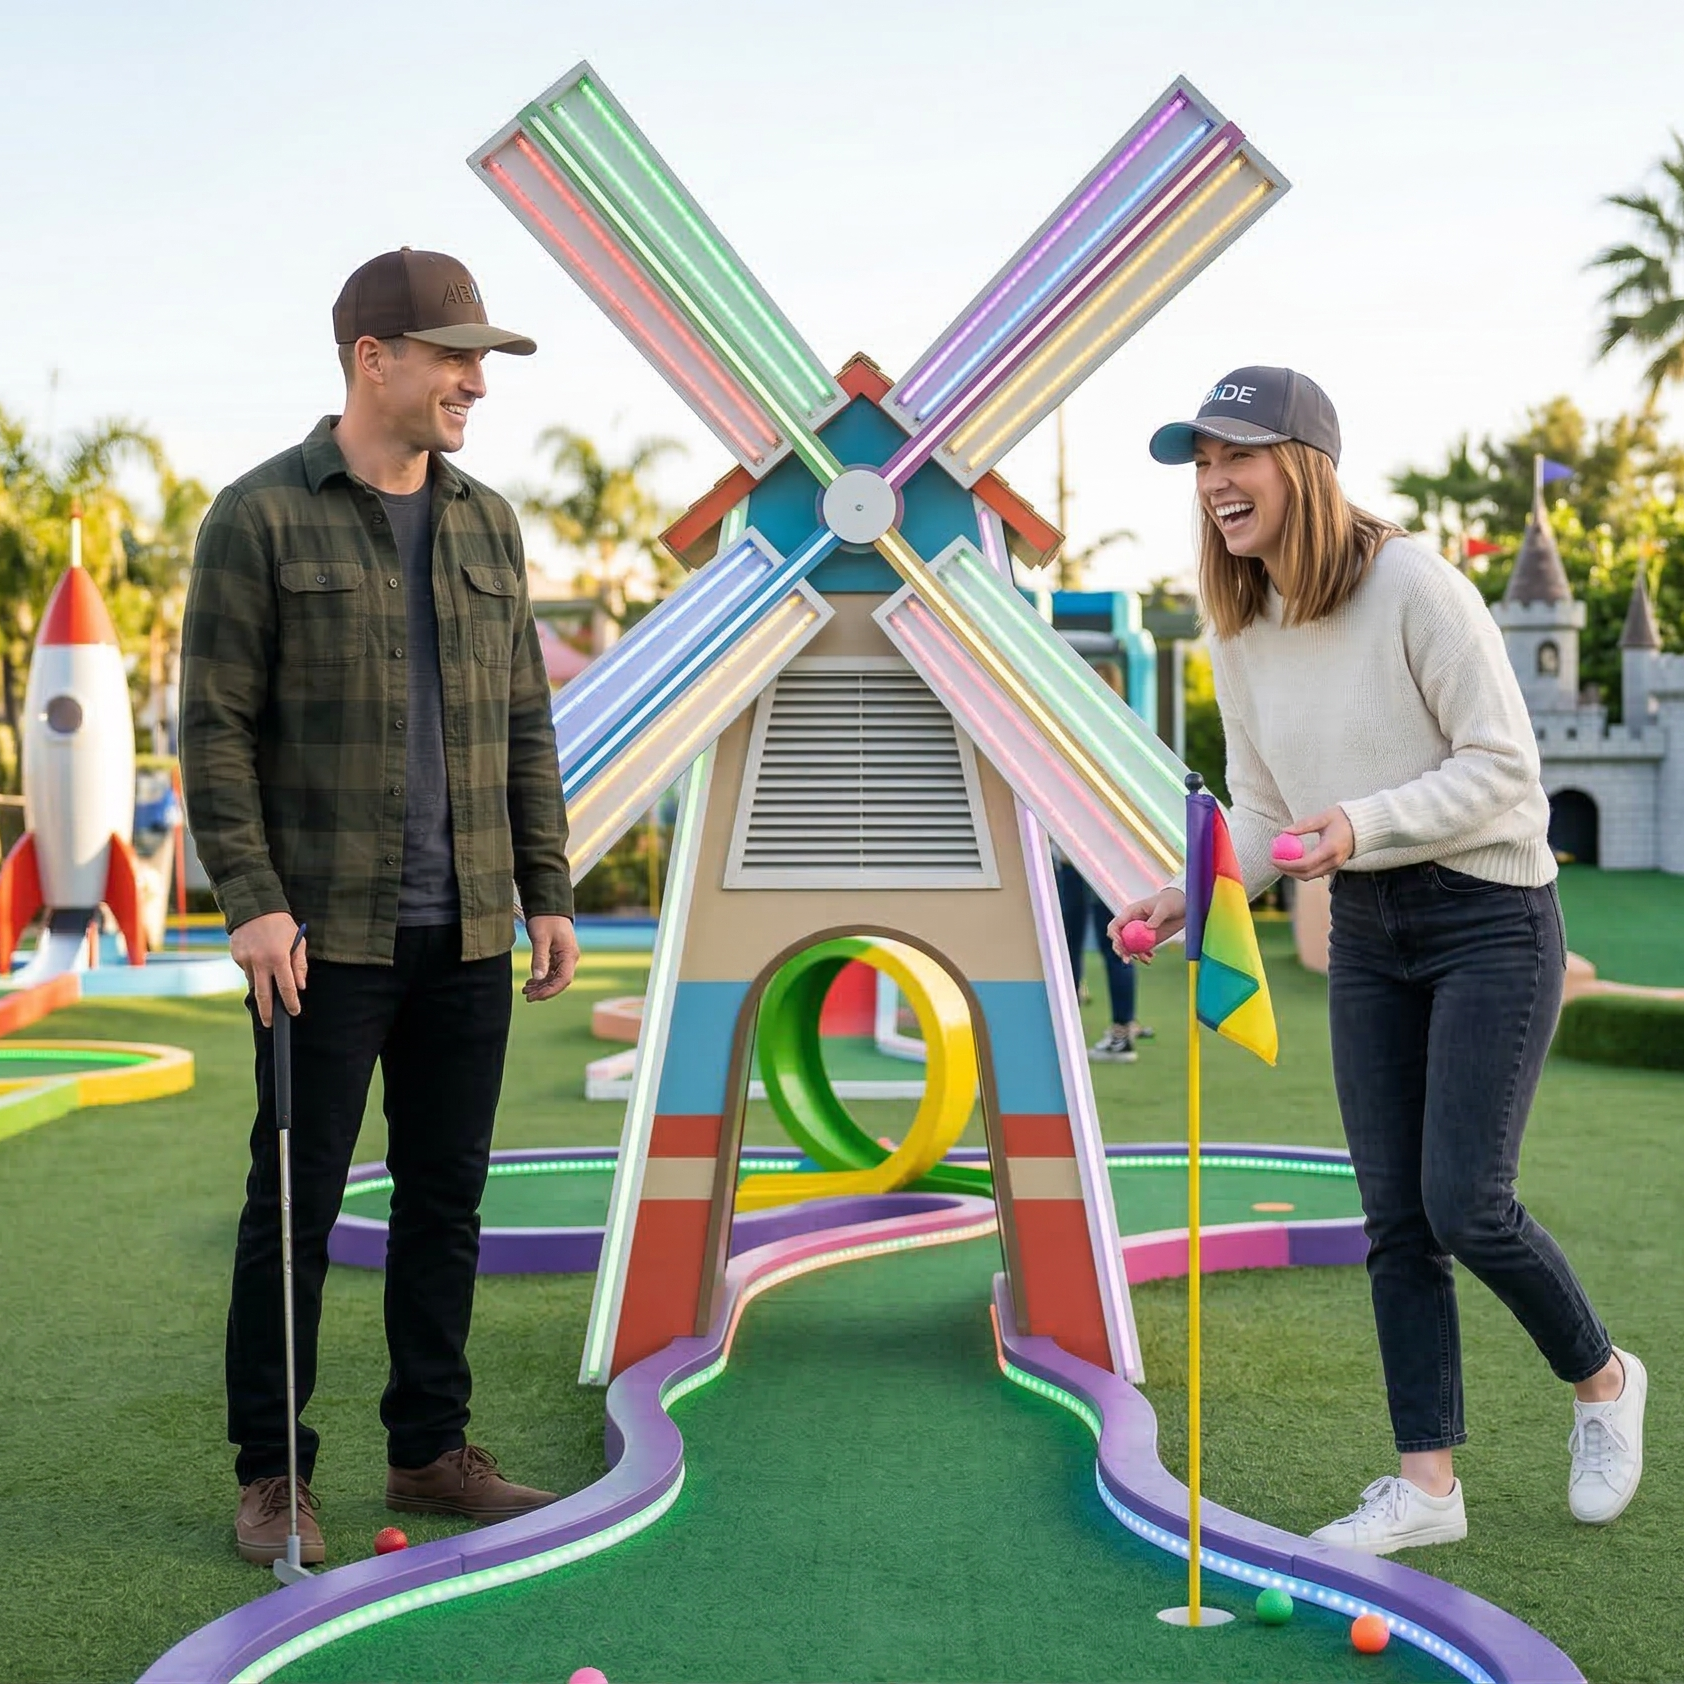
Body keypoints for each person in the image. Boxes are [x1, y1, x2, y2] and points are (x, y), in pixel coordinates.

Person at [1111, 367, 1645, 1553]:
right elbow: (1259, 814)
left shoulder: (1414, 585)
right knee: (1395, 1218)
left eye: (1232, 458)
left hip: (1490, 917)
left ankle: (1604, 1380)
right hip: (1367, 931)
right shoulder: (1237, 625)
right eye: (1198, 466)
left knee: (1465, 1203)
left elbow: (1506, 773)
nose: (1212, 486)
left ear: (1300, 461)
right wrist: (1184, 896)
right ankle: (1427, 1486)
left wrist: (1358, 823)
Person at [181, 248, 580, 1568]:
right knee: (288, 1208)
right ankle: (270, 1475)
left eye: (484, 358)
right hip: (321, 939)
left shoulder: (490, 525)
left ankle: (429, 1444)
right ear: (374, 359)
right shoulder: (257, 517)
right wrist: (252, 902)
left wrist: (547, 889)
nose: (477, 379)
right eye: (455, 354)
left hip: (466, 928)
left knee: (446, 1202)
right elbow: (217, 728)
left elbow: (526, 721)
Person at [1051, 845, 1152, 1061]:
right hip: (1087, 864)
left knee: (1113, 946)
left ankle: (1120, 1034)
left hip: (1092, 862)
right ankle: (1071, 1028)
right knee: (1070, 945)